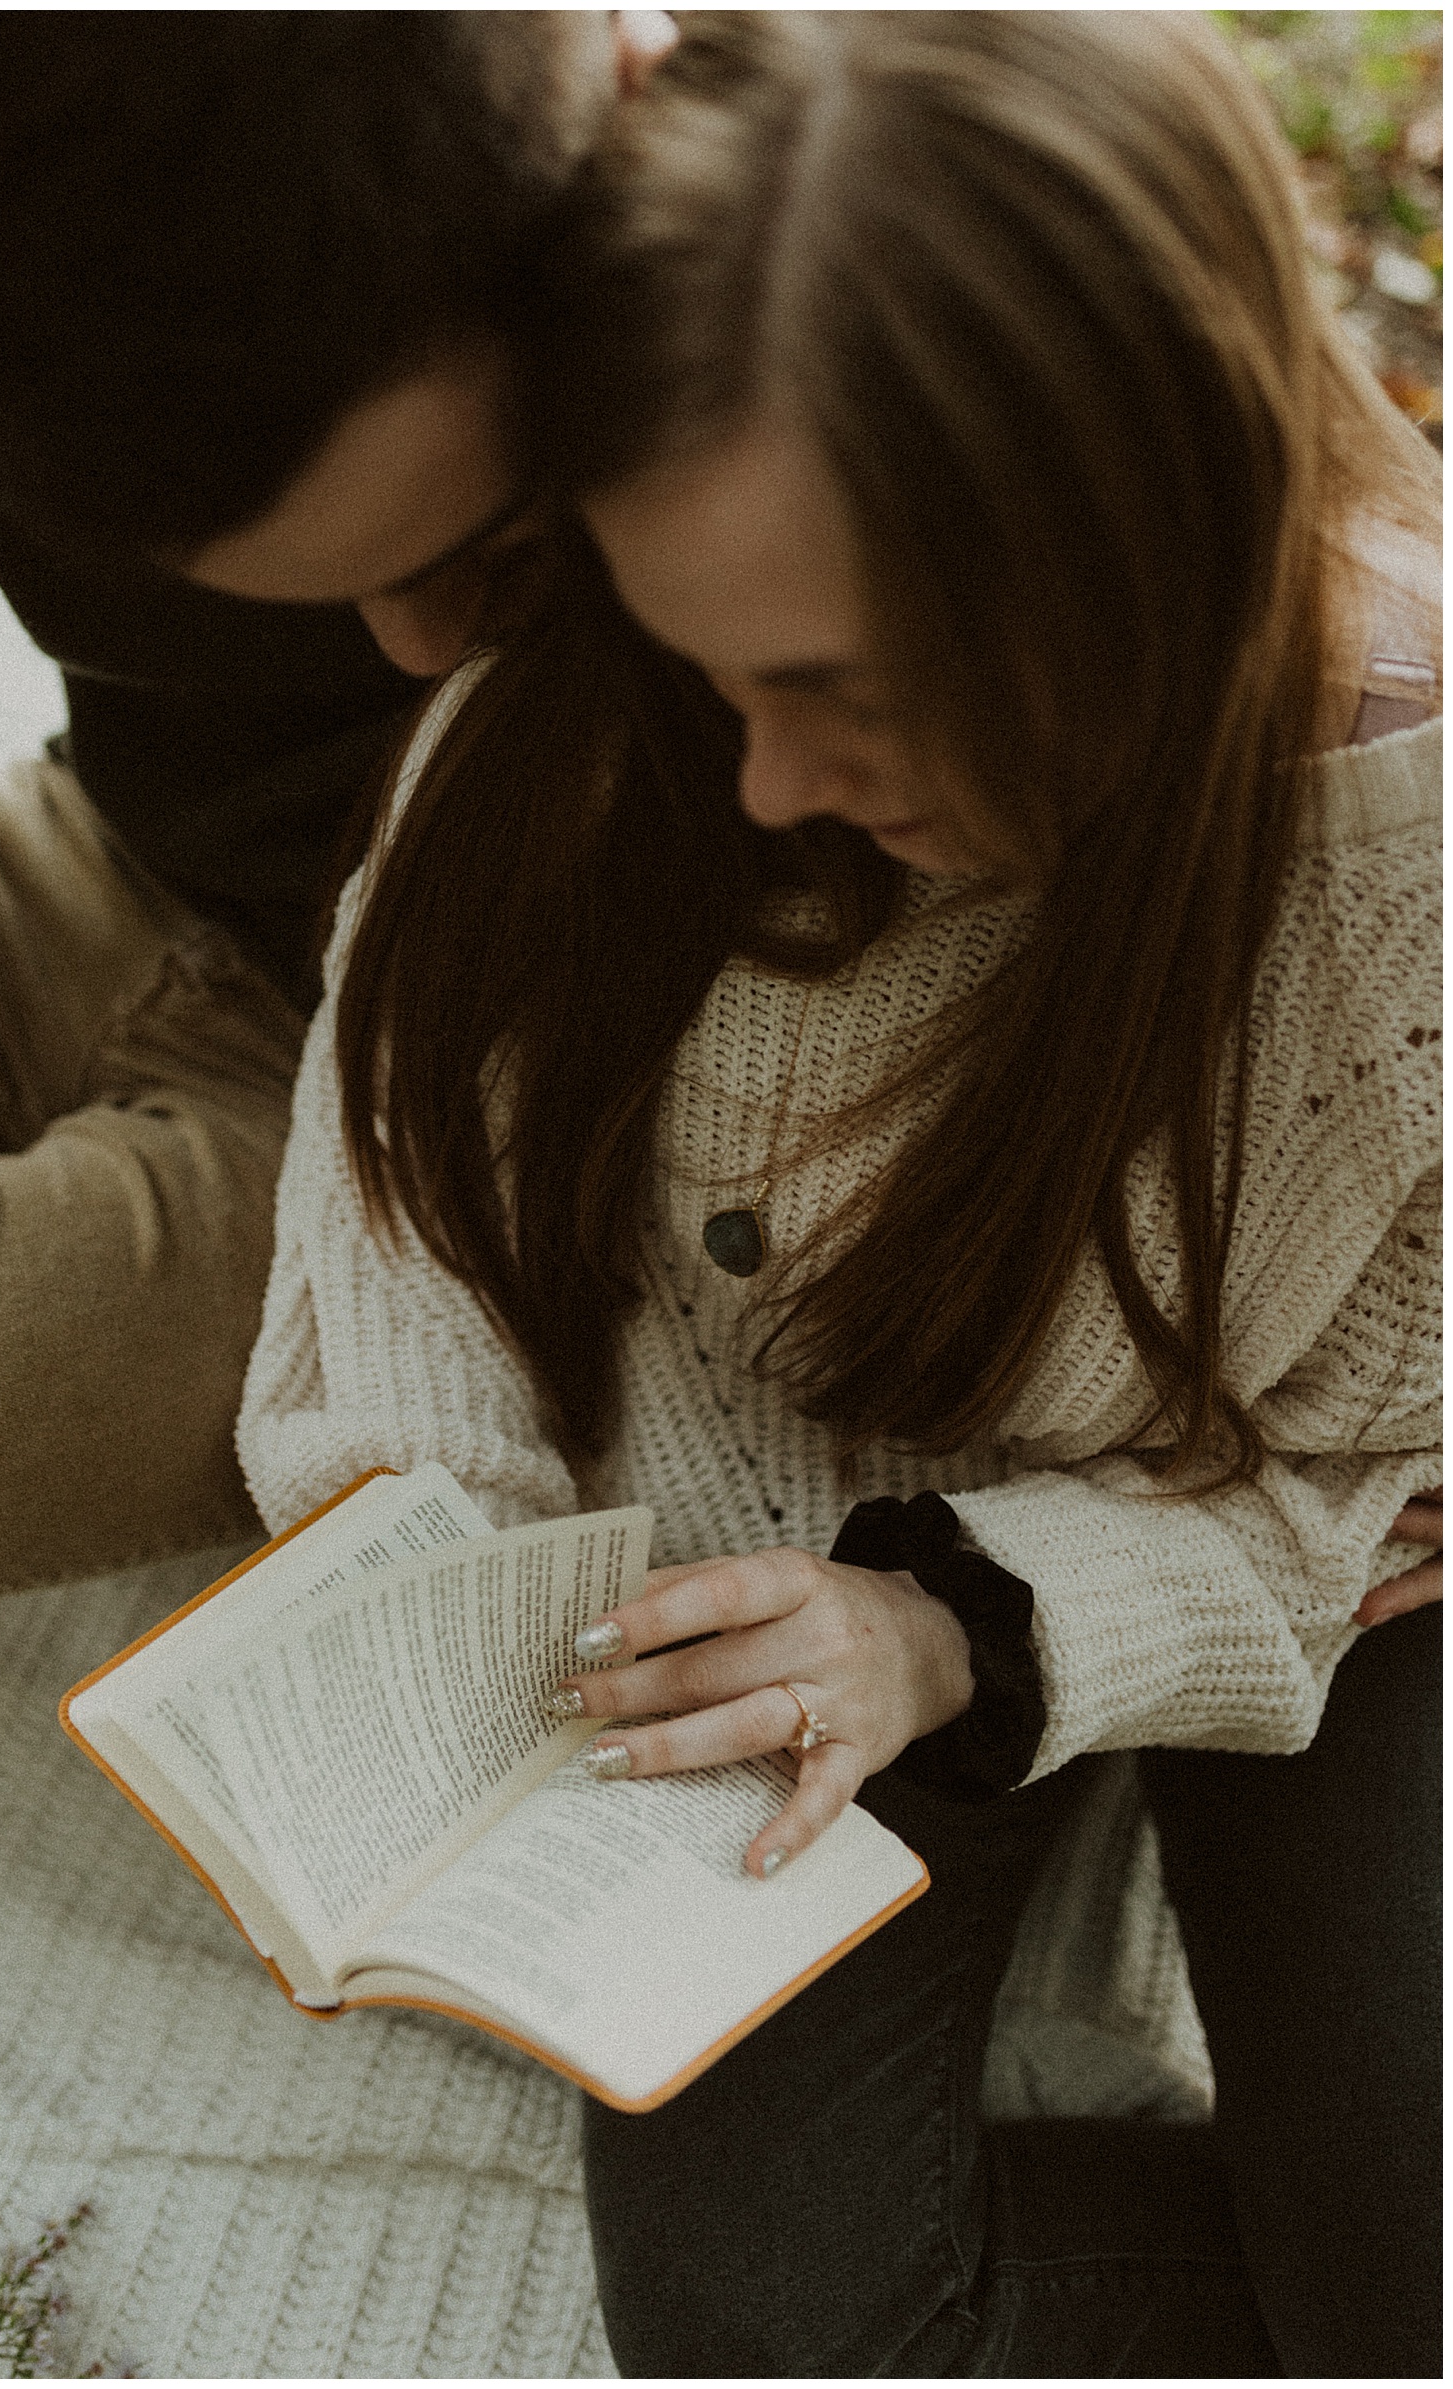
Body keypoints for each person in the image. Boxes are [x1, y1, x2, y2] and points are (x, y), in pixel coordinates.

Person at [235, 13, 1440, 2375]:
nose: (771, 774)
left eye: (844, 683)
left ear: (1137, 551)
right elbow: (402, 1163)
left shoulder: (1392, 908)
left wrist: (967, 1631)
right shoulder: (614, 714)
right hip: (748, 1607)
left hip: (1246, 1552)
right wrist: (423, 1550)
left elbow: (1342, 1494)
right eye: (715, 677)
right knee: (765, 2324)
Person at [0, 11, 675, 1656]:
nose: (421, 650)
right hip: (100, 878)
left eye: (489, 549)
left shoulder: (806, 247)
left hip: (434, 1150)